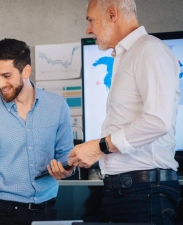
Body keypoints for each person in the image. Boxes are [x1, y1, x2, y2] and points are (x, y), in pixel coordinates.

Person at [68, 0, 181, 224]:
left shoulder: (149, 49)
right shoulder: (126, 56)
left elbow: (158, 121)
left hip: (143, 194)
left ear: (112, 14)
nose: (88, 29)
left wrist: (99, 147)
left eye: (91, 20)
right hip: (125, 193)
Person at [0, 38, 75, 225]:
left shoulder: (57, 106)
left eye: (6, 76)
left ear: (26, 71)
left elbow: (65, 156)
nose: (0, 83)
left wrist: (67, 169)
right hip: (4, 213)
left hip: (47, 210)